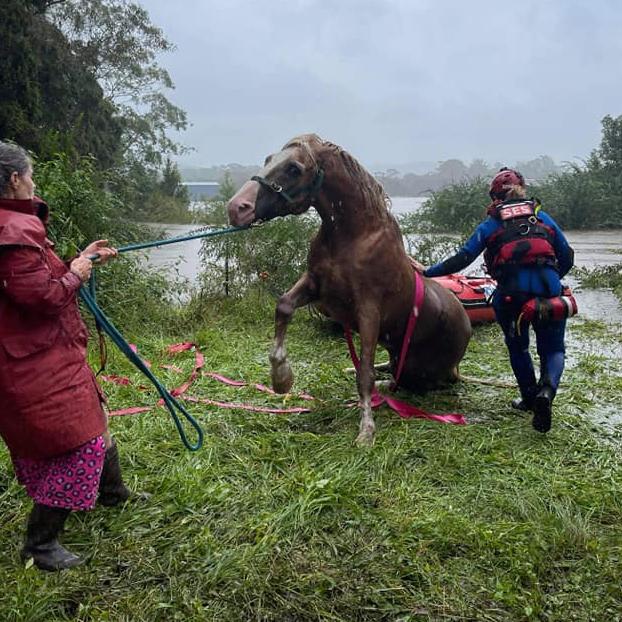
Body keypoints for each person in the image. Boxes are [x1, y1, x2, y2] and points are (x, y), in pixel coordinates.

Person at [0, 142, 138, 571]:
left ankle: (111, 493)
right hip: (30, 359)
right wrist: (77, 274)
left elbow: (42, 278)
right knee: (77, 442)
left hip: (44, 351)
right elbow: (41, 296)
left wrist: (82, 259)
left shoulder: (15, 227)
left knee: (95, 413)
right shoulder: (11, 234)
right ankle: (40, 545)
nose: (34, 181)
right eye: (31, 174)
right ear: (14, 179)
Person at [414, 168, 574, 433]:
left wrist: (428, 272)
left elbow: (463, 258)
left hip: (512, 296)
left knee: (518, 348)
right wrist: (555, 281)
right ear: (522, 190)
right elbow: (566, 255)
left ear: (495, 197)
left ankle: (528, 398)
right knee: (554, 349)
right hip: (549, 291)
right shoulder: (541, 217)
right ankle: (546, 392)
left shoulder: (491, 225)